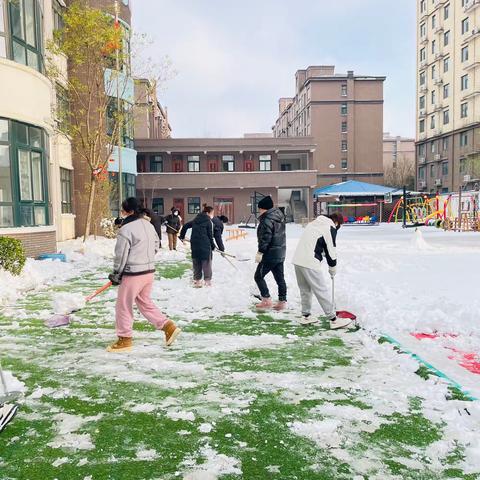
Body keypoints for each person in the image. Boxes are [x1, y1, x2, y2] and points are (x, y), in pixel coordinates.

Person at [107, 197, 181, 352]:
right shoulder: (148, 225)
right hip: (148, 272)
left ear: (130, 211)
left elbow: (121, 255)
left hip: (133, 274)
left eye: (123, 210)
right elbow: (156, 245)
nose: (122, 213)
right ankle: (168, 326)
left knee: (123, 306)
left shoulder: (126, 230)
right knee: (144, 302)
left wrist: (117, 273)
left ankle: (124, 339)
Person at [292, 212, 351, 330]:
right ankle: (333, 320)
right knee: (321, 290)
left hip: (298, 260)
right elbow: (331, 250)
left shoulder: (314, 223)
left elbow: (316, 243)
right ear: (337, 222)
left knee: (305, 290)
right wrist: (332, 268)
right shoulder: (329, 227)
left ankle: (306, 316)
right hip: (310, 262)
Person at [254, 195, 287, 311]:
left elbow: (266, 238)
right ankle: (282, 301)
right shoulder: (279, 216)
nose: (259, 211)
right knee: (280, 278)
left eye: (260, 208)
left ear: (264, 208)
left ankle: (266, 299)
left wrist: (260, 252)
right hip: (280, 252)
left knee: (258, 276)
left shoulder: (267, 219)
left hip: (269, 254)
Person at [179, 205, 216, 287]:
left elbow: (185, 226)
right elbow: (210, 236)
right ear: (207, 213)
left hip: (195, 244)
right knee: (206, 263)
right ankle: (207, 281)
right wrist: (213, 245)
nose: (212, 215)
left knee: (196, 262)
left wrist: (182, 236)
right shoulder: (208, 221)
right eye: (212, 213)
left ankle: (197, 280)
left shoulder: (195, 220)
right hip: (205, 245)